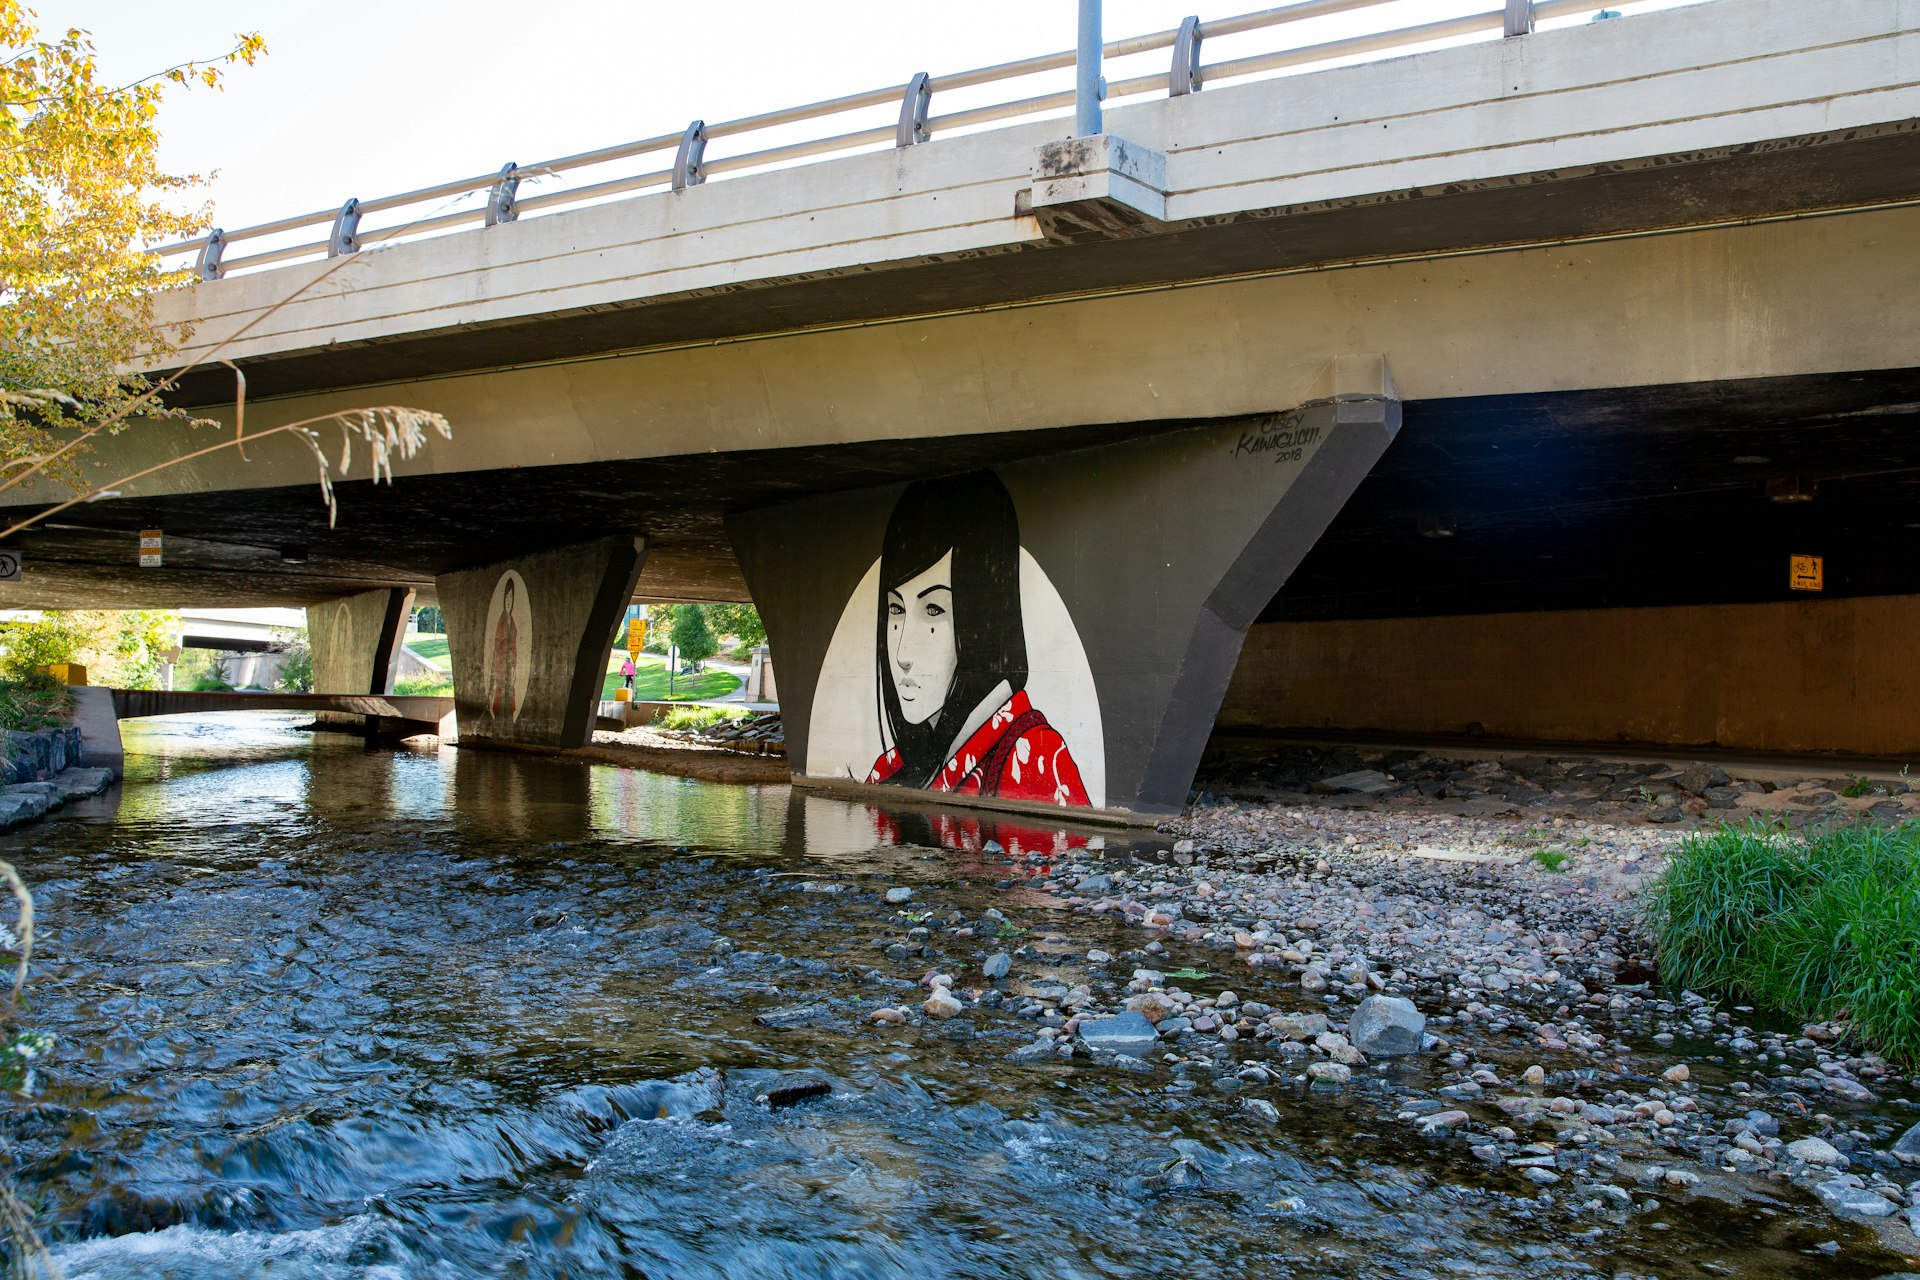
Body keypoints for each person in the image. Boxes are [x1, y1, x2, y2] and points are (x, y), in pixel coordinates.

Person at [864, 470, 1089, 807]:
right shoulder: (892, 768)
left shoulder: (1032, 758)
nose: (902, 654)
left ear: (983, 620)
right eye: (896, 610)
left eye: (934, 611)